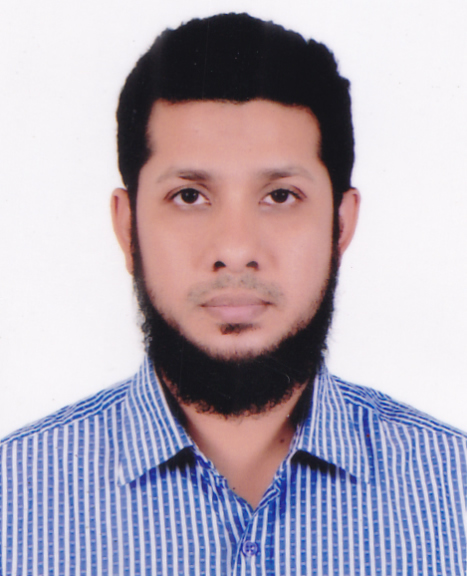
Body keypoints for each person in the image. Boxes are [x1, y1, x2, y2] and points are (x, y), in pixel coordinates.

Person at [0, 12, 465, 575]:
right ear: (127, 228)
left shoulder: (455, 491)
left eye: (281, 196)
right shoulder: (13, 499)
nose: (237, 248)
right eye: (189, 196)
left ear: (341, 226)